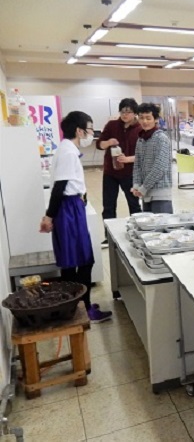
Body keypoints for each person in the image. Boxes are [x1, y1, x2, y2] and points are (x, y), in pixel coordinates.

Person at [39, 111, 112, 323]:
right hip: (68, 209)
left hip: (72, 207)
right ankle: (84, 310)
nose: (91, 134)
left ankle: (76, 307)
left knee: (75, 261)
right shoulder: (68, 153)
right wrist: (49, 217)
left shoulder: (66, 148)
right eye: (89, 129)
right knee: (81, 261)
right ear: (79, 130)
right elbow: (60, 187)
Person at [96, 98, 142, 247]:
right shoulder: (112, 125)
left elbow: (144, 154)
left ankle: (139, 233)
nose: (124, 115)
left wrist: (128, 159)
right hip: (110, 172)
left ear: (135, 113)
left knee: (134, 204)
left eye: (128, 112)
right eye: (122, 111)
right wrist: (109, 142)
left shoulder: (140, 128)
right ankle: (108, 237)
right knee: (108, 206)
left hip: (129, 173)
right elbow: (100, 145)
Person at [131, 103, 173, 214]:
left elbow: (160, 167)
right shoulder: (141, 139)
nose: (144, 121)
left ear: (156, 119)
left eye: (148, 118)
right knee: (149, 229)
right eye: (141, 118)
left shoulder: (161, 138)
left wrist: (144, 187)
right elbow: (137, 164)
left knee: (162, 228)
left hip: (160, 193)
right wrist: (136, 185)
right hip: (145, 193)